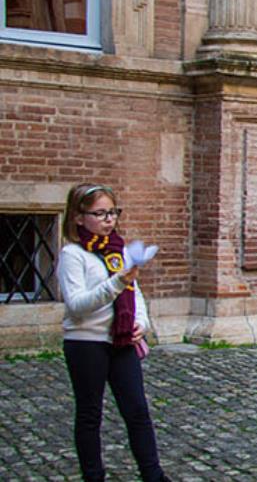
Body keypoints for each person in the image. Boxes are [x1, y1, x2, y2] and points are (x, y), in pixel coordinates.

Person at [57, 183, 169, 482]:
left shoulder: (118, 249)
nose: (109, 220)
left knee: (137, 412)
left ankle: (153, 474)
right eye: (100, 213)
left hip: (121, 342)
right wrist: (117, 283)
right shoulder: (73, 255)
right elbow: (77, 305)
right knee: (90, 414)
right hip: (86, 343)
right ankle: (93, 476)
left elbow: (136, 296)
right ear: (79, 217)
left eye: (113, 212)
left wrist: (140, 324)